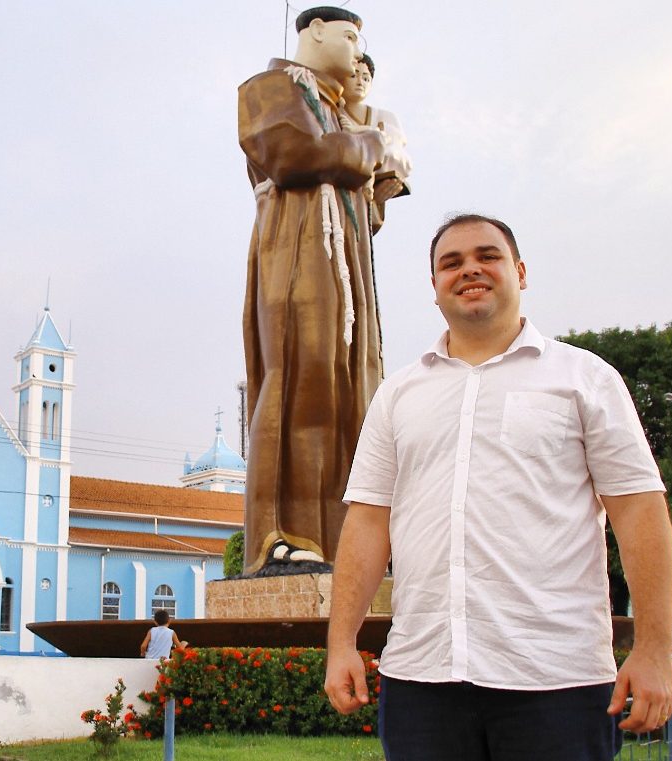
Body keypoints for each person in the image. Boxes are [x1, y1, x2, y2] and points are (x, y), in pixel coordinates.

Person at [324, 214, 672, 760]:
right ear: (435, 285)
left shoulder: (585, 379)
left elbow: (639, 514)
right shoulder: (398, 394)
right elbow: (369, 521)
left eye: (486, 256)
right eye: (451, 262)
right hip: (423, 679)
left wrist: (654, 650)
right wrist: (341, 642)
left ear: (519, 270)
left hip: (556, 680)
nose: (469, 269)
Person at [238, 6, 388, 573]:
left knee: (350, 388)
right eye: (349, 36)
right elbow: (294, 156)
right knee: (297, 378)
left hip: (346, 261)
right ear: (315, 31)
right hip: (295, 245)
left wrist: (367, 165)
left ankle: (346, 539)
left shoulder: (338, 109)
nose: (356, 49)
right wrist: (365, 147)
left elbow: (370, 207)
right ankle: (280, 534)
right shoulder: (269, 87)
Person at [340, 53, 413, 235]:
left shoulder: (385, 117)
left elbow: (397, 156)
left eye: (366, 78)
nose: (360, 82)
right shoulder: (332, 114)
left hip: (367, 191)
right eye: (353, 75)